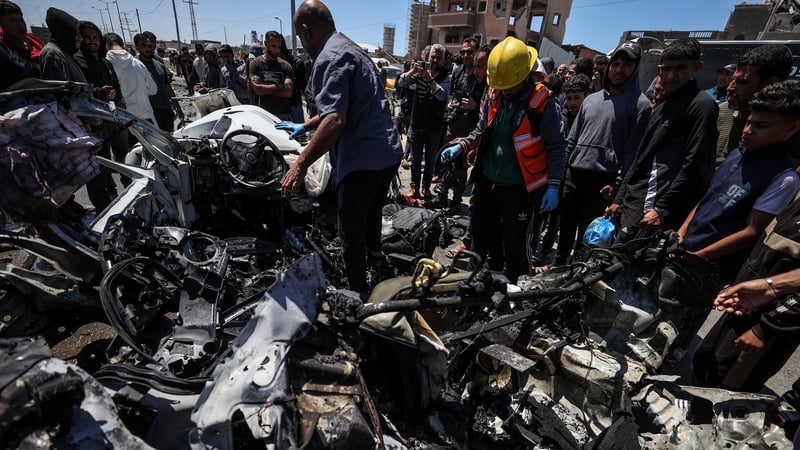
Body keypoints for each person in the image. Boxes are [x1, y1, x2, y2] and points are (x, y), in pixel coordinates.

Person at [278, 0, 402, 294]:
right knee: (373, 211)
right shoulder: (349, 48)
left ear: (305, 31)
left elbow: (335, 120)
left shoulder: (327, 58)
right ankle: (376, 257)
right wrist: (306, 126)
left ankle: (359, 295)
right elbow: (342, 105)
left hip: (362, 160)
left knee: (350, 231)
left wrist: (300, 165)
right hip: (387, 152)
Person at [439, 37, 566, 283]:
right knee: (481, 239)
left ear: (524, 75)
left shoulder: (543, 103)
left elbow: (557, 147)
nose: (504, 90)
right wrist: (463, 145)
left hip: (520, 189)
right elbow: (481, 130)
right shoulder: (494, 92)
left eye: (509, 85)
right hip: (488, 181)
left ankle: (518, 298)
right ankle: (480, 285)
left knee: (517, 247)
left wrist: (553, 185)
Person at [679, 80, 800, 283]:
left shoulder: (784, 178)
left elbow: (752, 232)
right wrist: (681, 232)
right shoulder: (737, 154)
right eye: (748, 122)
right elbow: (709, 197)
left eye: (761, 126)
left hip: (710, 268)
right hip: (685, 250)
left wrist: (699, 257)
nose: (748, 130)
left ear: (791, 129)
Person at [607, 38, 718, 242]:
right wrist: (619, 198)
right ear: (659, 69)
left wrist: (662, 208)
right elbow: (641, 156)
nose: (671, 76)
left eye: (680, 69)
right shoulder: (663, 105)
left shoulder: (701, 105)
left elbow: (694, 164)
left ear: (697, 67)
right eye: (666, 69)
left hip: (653, 208)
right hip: (634, 202)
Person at [554, 41, 652, 266]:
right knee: (565, 228)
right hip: (574, 176)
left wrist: (617, 184)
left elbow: (632, 153)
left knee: (588, 237)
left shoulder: (641, 105)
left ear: (635, 68)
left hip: (603, 182)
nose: (619, 69)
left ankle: (576, 278)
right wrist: (561, 173)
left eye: (626, 65)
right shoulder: (591, 99)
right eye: (616, 63)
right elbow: (572, 139)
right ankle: (557, 270)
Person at [693, 191, 800, 393]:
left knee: (727, 389)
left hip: (770, 323)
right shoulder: (795, 203)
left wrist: (766, 329)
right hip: (746, 307)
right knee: (705, 363)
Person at [716, 44, 794, 166]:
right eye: (733, 80)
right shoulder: (722, 112)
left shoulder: (790, 130)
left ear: (770, 84)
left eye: (742, 81)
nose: (730, 88)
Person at [74, 20, 123, 211]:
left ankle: (114, 197)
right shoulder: (77, 62)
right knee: (96, 168)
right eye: (87, 37)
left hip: (109, 120)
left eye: (95, 37)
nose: (92, 41)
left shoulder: (105, 63)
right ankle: (103, 206)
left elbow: (115, 85)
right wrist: (98, 92)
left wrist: (114, 95)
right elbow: (78, 91)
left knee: (111, 163)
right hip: (91, 124)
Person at [398, 43, 451, 199]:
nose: (434, 60)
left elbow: (443, 95)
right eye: (432, 57)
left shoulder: (445, 76)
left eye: (438, 58)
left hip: (434, 126)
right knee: (415, 159)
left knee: (429, 160)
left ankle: (426, 188)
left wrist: (430, 81)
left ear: (442, 60)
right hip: (417, 123)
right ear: (428, 57)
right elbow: (402, 82)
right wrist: (413, 70)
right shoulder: (419, 72)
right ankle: (414, 187)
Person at [438, 37, 483, 210]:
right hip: (453, 123)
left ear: (476, 53)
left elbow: (488, 105)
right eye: (462, 52)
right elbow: (452, 94)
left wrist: (475, 105)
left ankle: (456, 201)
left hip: (470, 129)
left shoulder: (481, 76)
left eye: (469, 52)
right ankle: (441, 196)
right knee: (445, 160)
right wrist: (450, 102)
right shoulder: (457, 71)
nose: (465, 55)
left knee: (461, 167)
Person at [134, 31, 184, 132]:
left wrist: (178, 108)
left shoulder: (159, 65)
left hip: (165, 109)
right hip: (148, 113)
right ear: (137, 47)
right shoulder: (134, 65)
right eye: (145, 45)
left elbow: (168, 87)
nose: (149, 48)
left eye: (151, 45)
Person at [105, 32, 157, 125]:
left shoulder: (105, 64)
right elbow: (153, 90)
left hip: (122, 119)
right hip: (145, 118)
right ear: (123, 45)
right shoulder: (137, 63)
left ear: (106, 46)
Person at [249, 30, 295, 120]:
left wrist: (264, 86)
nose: (277, 50)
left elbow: (288, 92)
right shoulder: (256, 64)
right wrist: (279, 86)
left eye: (279, 47)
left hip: (283, 115)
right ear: (266, 44)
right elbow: (258, 90)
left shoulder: (285, 65)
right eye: (273, 46)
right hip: (264, 115)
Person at [0, 0, 43, 90]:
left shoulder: (37, 45)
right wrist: (21, 78)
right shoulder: (4, 51)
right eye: (12, 21)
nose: (21, 25)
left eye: (21, 19)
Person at [39, 7, 84, 83]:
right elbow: (62, 91)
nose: (81, 39)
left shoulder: (65, 52)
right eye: (77, 34)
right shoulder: (53, 53)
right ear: (66, 33)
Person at [278, 34, 308, 123]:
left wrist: (308, 101)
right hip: (277, 106)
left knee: (299, 135)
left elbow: (304, 84)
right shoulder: (271, 64)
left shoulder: (297, 63)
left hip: (295, 104)